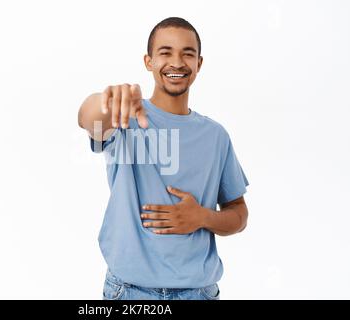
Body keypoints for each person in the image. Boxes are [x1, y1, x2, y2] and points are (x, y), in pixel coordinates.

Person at [77, 17, 249, 300]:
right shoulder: (124, 117)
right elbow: (87, 118)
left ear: (199, 64)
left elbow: (239, 215)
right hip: (130, 292)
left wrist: (202, 217)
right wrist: (106, 99)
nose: (177, 62)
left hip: (199, 293)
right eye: (166, 52)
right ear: (149, 61)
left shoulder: (216, 136)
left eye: (187, 54)